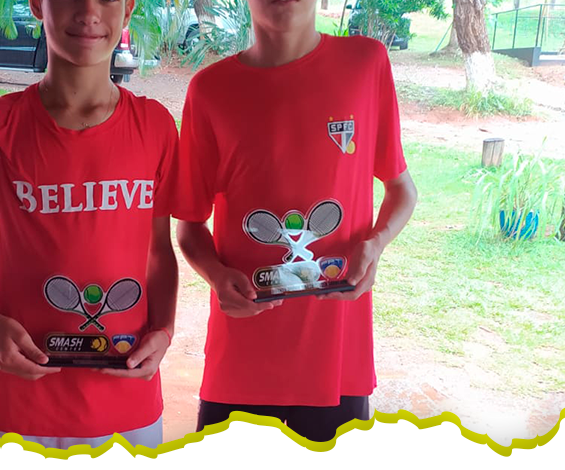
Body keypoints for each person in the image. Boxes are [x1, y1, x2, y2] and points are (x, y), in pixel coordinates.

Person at [0, 0, 178, 449]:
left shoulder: (155, 126)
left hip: (126, 405)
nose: (88, 12)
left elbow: (159, 251)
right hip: (17, 404)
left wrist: (164, 330)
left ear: (127, 11)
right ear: (37, 6)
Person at [172, 0, 418, 442]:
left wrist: (376, 243)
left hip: (337, 362)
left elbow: (402, 190)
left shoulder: (366, 63)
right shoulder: (209, 90)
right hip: (242, 360)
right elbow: (189, 225)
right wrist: (216, 275)